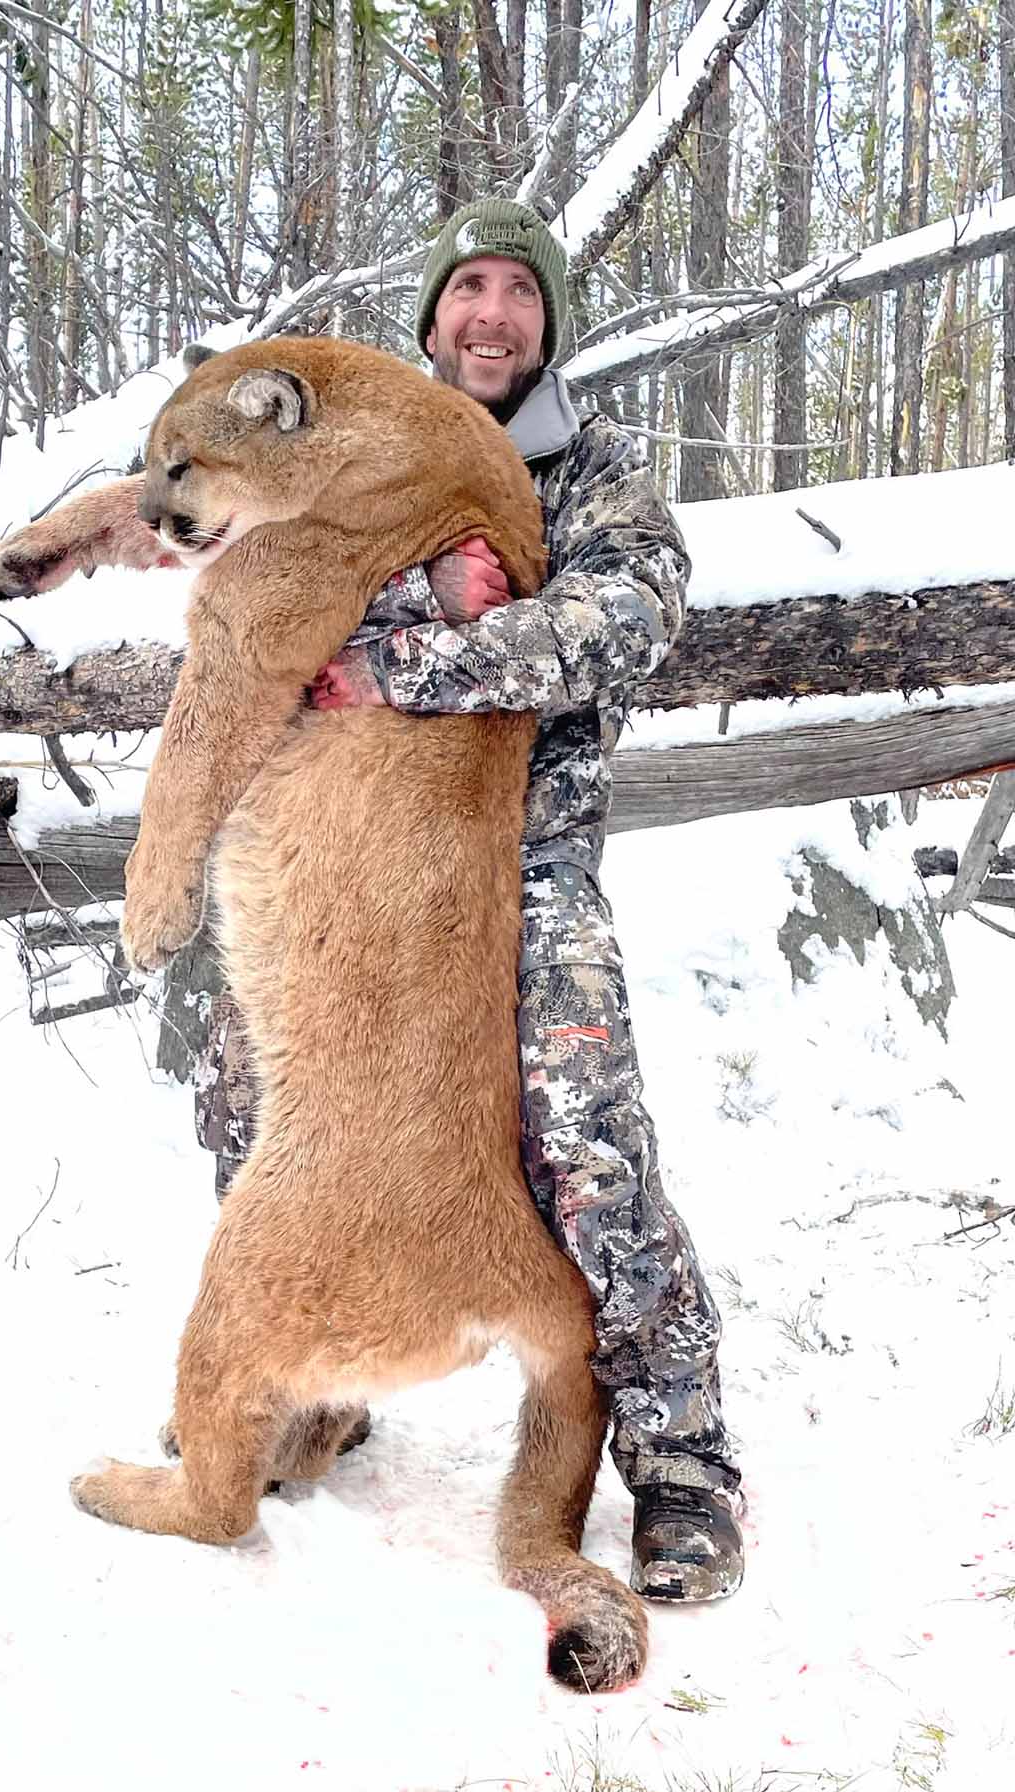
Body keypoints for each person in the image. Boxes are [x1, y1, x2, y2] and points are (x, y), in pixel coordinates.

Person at [191, 197, 744, 1604]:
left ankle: (681, 1466)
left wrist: (412, 660)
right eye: (469, 289)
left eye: (520, 292)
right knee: (253, 1102)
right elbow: (265, 599)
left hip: (522, 870)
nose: (492, 315)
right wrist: (425, 598)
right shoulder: (356, 452)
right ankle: (300, 1390)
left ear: (547, 321)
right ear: (432, 314)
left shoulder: (595, 472)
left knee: (589, 1143)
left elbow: (623, 622)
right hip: (353, 864)